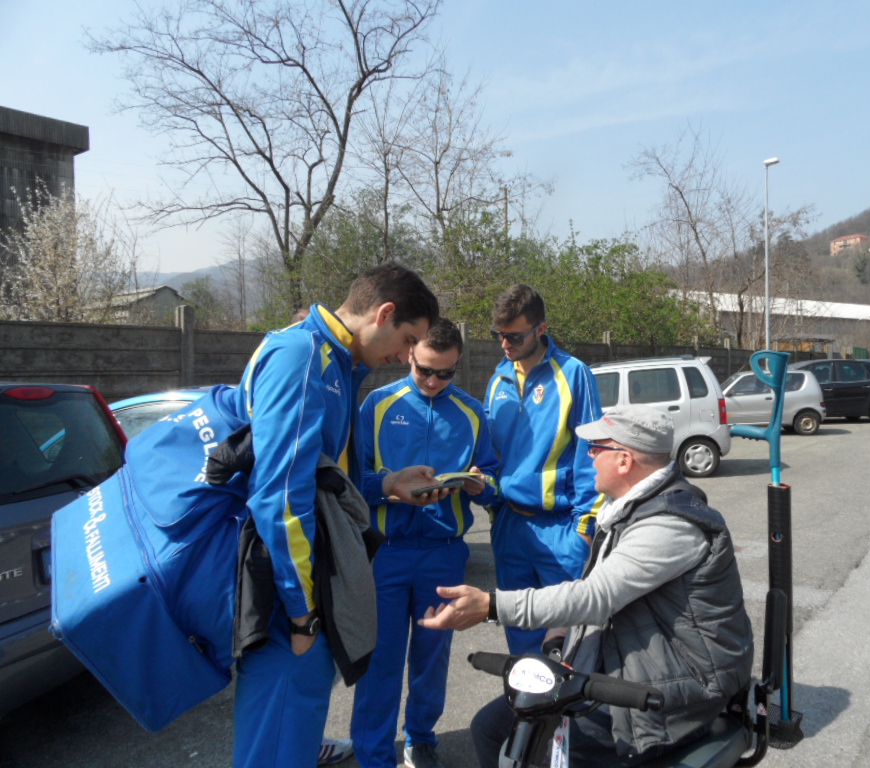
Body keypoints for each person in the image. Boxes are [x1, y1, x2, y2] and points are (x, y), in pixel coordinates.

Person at [122, 263, 443, 768]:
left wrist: (386, 484)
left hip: (303, 582)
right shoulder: (302, 357)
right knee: (277, 742)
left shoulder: (335, 361)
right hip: (289, 593)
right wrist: (303, 612)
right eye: (407, 340)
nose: (406, 357)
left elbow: (319, 480)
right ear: (383, 313)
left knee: (293, 735)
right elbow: (280, 497)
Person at [420, 405, 754, 768]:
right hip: (634, 659)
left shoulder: (669, 524)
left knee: (548, 749)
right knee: (491, 727)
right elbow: (596, 589)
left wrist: (490, 606)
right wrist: (564, 635)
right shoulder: (630, 506)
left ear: (625, 461)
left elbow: (596, 598)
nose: (589, 456)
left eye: (597, 448)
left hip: (680, 684)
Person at [351, 318, 500, 768]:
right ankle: (375, 755)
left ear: (458, 365)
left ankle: (421, 739)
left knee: (432, 658)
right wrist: (389, 486)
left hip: (443, 554)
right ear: (409, 355)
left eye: (446, 373)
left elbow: (492, 476)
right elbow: (351, 480)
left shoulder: (472, 413)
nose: (434, 382)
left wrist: (481, 486)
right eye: (425, 371)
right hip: (386, 553)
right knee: (380, 661)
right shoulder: (376, 405)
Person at [484, 284, 605, 654]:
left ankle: (568, 714)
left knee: (567, 646)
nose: (505, 344)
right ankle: (529, 713)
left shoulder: (573, 373)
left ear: (541, 329)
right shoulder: (498, 378)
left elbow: (592, 453)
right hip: (510, 527)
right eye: (499, 335)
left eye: (514, 336)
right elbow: (493, 454)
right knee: (521, 638)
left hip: (562, 529)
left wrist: (584, 531)